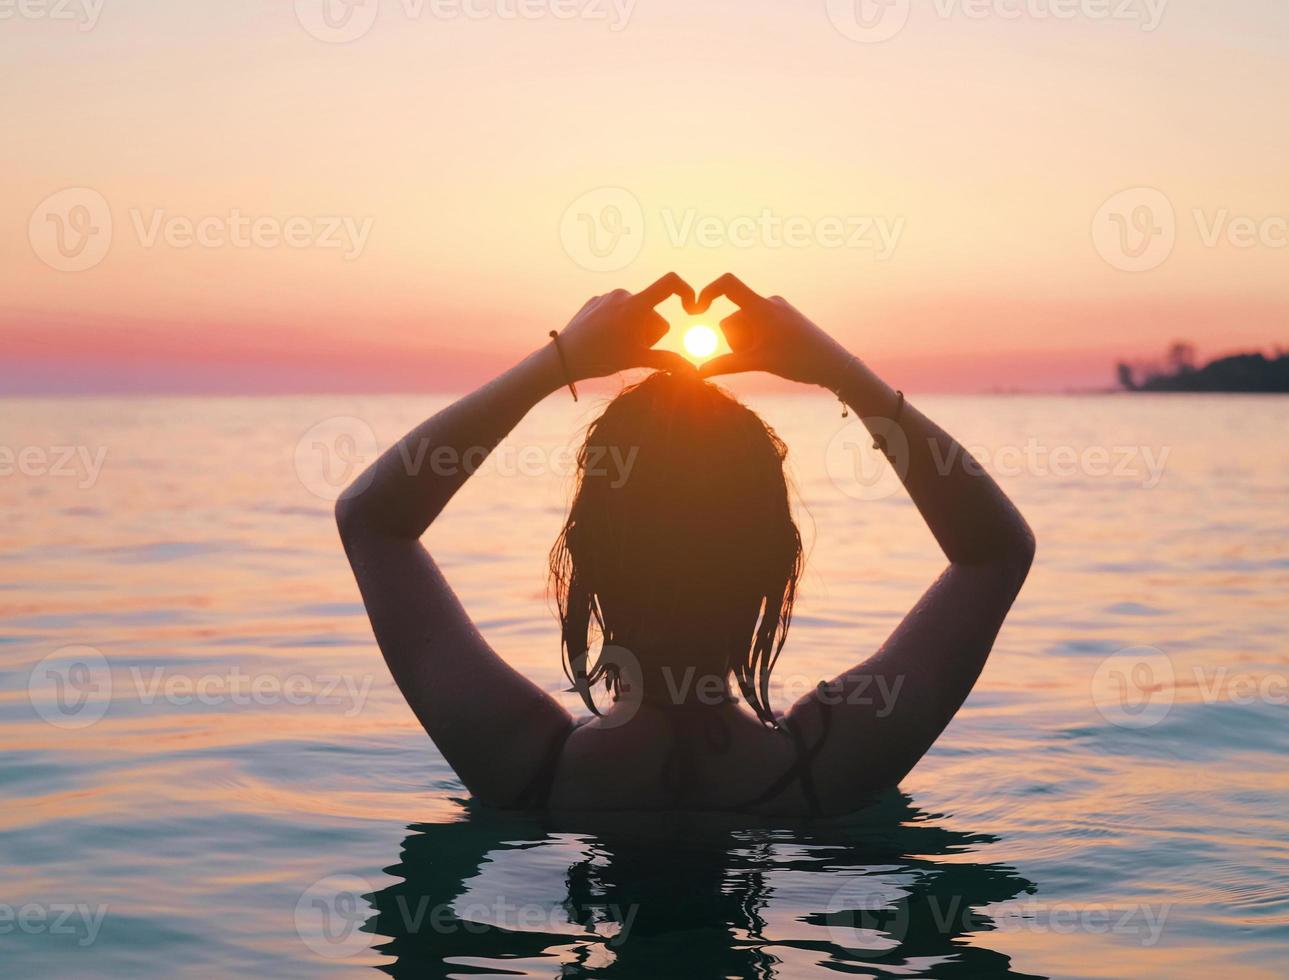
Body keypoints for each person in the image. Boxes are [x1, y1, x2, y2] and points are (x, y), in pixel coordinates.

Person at [336, 273, 1034, 815]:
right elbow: (995, 552)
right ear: (776, 563)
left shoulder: (520, 763)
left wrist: (559, 363)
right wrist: (837, 370)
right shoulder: (829, 767)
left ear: (583, 557)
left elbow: (373, 521)